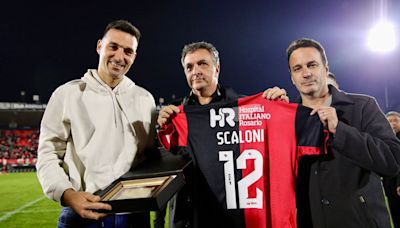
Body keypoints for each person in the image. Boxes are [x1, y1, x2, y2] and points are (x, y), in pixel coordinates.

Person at [36, 20, 156, 227]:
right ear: (100, 46)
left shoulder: (145, 99)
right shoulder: (68, 94)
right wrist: (67, 194)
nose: (119, 56)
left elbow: (152, 157)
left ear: (134, 57)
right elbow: (48, 153)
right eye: (113, 46)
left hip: (135, 214)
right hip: (83, 213)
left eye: (128, 51)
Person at [156, 41, 288, 228]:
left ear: (217, 68)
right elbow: (168, 164)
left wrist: (278, 109)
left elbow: (275, 143)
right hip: (194, 214)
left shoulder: (244, 108)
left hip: (239, 214)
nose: (196, 71)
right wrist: (164, 129)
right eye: (189, 67)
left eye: (203, 63)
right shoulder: (177, 115)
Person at [285, 38, 400, 228]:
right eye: (298, 68)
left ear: (325, 68)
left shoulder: (363, 106)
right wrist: (271, 110)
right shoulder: (288, 118)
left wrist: (341, 130)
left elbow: (393, 161)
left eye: (312, 65)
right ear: (292, 77)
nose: (306, 73)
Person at [383, 111, 400, 227]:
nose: (393, 123)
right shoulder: (385, 139)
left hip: (398, 183)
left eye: (396, 120)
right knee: (395, 214)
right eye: (390, 121)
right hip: (390, 184)